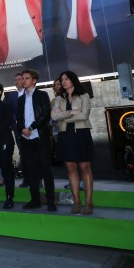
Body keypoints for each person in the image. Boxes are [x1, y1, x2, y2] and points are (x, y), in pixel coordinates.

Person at [51, 70, 95, 215]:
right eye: (62, 79)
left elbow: (84, 115)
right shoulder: (59, 98)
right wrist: (71, 112)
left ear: (73, 80)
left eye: (66, 79)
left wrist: (64, 117)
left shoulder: (84, 95)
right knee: (70, 167)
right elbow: (54, 116)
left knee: (85, 167)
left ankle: (89, 201)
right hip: (65, 134)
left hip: (81, 133)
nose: (63, 82)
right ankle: (77, 201)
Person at [17, 69, 57, 211]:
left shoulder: (42, 95)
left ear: (34, 80)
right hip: (26, 138)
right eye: (22, 78)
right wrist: (22, 129)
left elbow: (46, 114)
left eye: (27, 78)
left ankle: (51, 201)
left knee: (45, 169)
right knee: (30, 170)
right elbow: (19, 118)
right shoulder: (21, 99)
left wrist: (32, 127)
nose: (23, 80)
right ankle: (35, 200)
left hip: (40, 136)